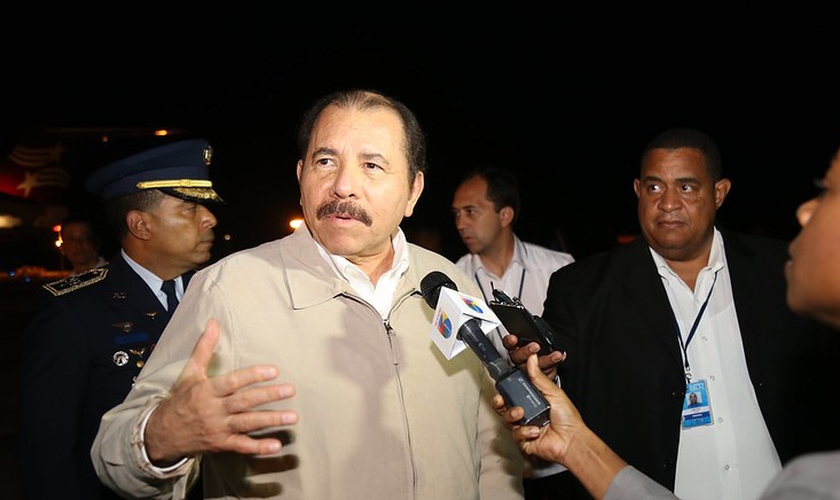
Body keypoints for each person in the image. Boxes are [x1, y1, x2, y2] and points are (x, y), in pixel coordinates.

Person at [90, 89, 525, 499]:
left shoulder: (451, 282)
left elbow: (492, 441)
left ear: (413, 191)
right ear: (301, 177)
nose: (343, 186)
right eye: (325, 162)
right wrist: (161, 437)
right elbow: (113, 451)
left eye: (372, 165)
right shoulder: (230, 290)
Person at [502, 127, 840, 500]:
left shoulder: (784, 270)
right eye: (654, 187)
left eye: (687, 187)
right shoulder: (583, 288)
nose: (667, 203)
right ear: (637, 191)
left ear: (719, 193)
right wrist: (543, 373)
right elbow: (566, 378)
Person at [19, 138, 222, 500]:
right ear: (140, 225)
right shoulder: (74, 312)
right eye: (190, 208)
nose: (210, 218)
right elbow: (48, 449)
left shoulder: (216, 292)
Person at [451, 166, 574, 496]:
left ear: (505, 214)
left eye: (471, 211)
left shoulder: (560, 269)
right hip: (493, 467)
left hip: (560, 462)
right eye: (457, 214)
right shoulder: (452, 281)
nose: (461, 223)